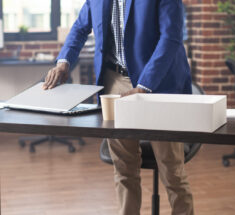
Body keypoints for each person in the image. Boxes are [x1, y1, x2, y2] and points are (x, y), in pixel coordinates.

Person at [43, 0, 194, 214]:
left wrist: (144, 85)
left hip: (157, 83)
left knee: (172, 171)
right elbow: (80, 26)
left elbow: (171, 38)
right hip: (115, 81)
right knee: (124, 167)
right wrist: (63, 61)